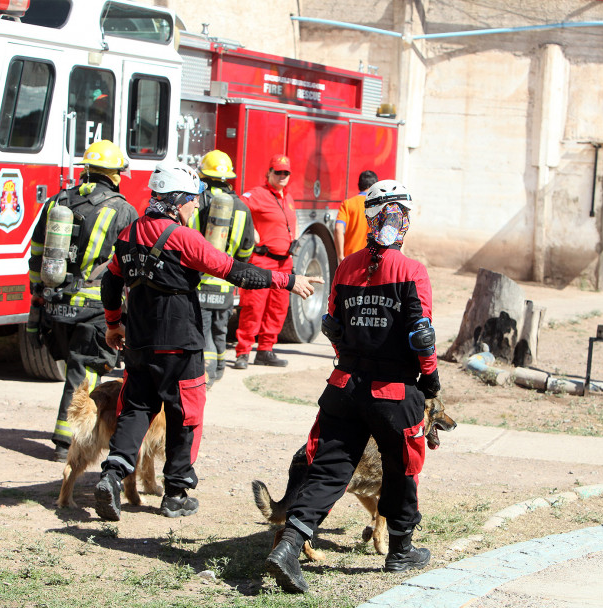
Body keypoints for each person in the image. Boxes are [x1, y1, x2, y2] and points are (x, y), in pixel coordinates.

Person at [95, 161, 321, 521]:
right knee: (187, 415)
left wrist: (112, 324)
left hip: (138, 341)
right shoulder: (184, 238)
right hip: (179, 343)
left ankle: (111, 475)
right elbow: (237, 273)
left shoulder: (130, 233)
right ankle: (176, 494)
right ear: (176, 201)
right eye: (191, 201)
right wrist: (286, 280)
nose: (194, 207)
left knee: (136, 409)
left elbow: (110, 282)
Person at [264, 180, 440, 594]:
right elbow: (421, 336)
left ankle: (289, 545)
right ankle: (401, 549)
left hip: (344, 386)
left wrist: (351, 354)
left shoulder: (345, 268)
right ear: (397, 217)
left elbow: (333, 328)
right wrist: (430, 380)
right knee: (402, 470)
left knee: (328, 469)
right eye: (405, 216)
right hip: (393, 393)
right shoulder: (412, 270)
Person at [27, 139, 138, 462]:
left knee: (74, 369)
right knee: (87, 369)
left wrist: (38, 293)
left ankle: (69, 434)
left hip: (56, 301)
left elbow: (36, 253)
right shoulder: (122, 209)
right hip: (94, 308)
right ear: (115, 174)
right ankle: (68, 439)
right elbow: (129, 264)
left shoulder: (57, 202)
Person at [187, 150, 255, 387]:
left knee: (202, 330)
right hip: (226, 279)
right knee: (220, 329)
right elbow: (247, 248)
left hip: (200, 280)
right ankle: (219, 368)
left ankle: (206, 375)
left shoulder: (195, 201)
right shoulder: (241, 207)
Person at [234, 154, 297, 369]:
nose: (282, 176)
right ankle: (243, 353)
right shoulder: (257, 195)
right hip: (262, 261)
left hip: (284, 263)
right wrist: (251, 233)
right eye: (277, 172)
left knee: (278, 309)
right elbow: (237, 208)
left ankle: (265, 351)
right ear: (268, 173)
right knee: (253, 307)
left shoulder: (287, 197)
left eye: (285, 172)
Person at [334, 170, 378, 262]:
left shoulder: (347, 204)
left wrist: (340, 256)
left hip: (351, 259)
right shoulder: (378, 206)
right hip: (372, 258)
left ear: (359, 185)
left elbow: (338, 228)